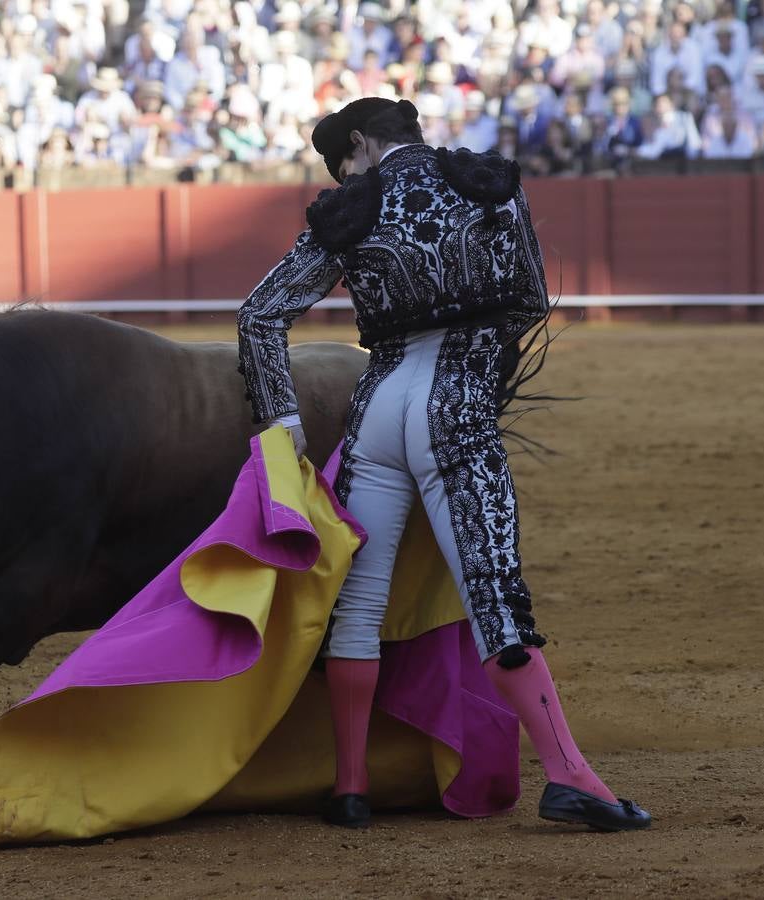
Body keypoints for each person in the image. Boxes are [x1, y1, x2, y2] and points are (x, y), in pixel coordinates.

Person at [236, 96, 651, 833]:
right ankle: (569, 777)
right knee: (496, 599)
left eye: (344, 163)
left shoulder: (348, 210)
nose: (345, 177)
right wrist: (479, 368)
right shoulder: (487, 182)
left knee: (358, 604)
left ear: (361, 142)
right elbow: (528, 298)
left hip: (377, 411)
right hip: (455, 407)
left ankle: (351, 788)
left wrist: (286, 423)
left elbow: (259, 315)